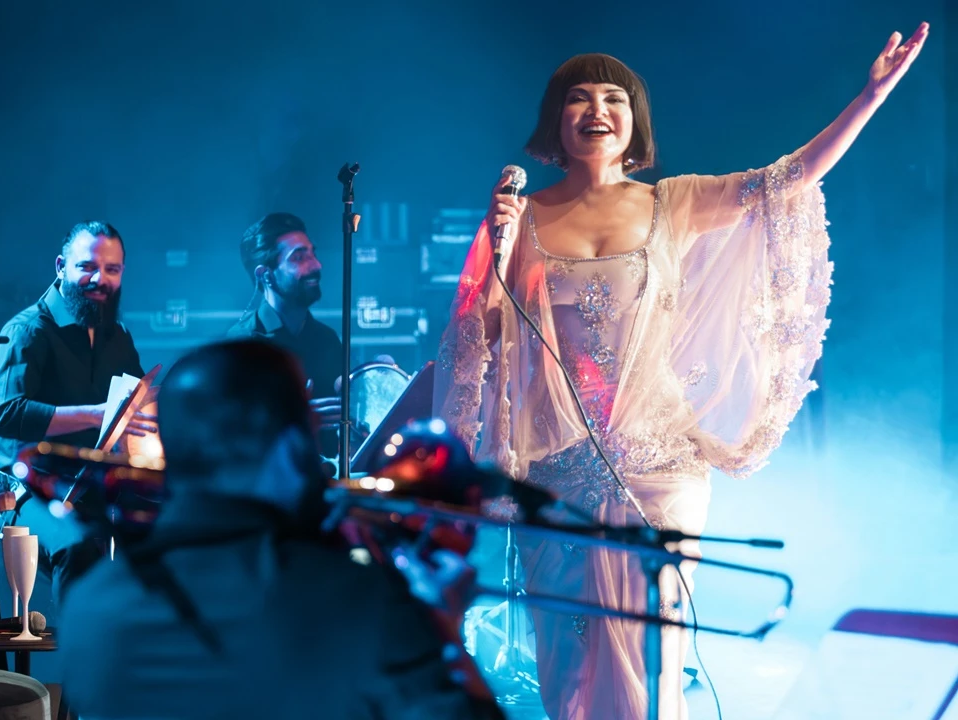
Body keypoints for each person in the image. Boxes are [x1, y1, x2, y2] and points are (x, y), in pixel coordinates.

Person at [434, 25, 928, 720]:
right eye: (579, 98)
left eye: (613, 98)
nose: (597, 110)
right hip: (557, 469)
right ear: (555, 119)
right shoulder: (520, 220)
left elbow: (788, 179)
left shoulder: (674, 202)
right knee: (566, 663)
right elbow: (476, 336)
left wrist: (870, 96)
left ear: (634, 120)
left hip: (658, 467)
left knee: (652, 648)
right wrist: (498, 242)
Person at [60, 339, 501, 719]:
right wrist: (440, 625)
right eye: (310, 435)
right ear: (291, 448)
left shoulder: (89, 608)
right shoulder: (355, 598)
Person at [0, 220, 155, 611]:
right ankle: (78, 650)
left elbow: (135, 403)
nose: (100, 279)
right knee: (78, 546)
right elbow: (4, 413)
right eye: (87, 267)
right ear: (61, 266)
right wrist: (97, 415)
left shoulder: (117, 334)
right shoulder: (27, 330)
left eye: (112, 269)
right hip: (25, 492)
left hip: (91, 484)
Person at [228, 212, 395, 460]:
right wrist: (294, 421)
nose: (316, 265)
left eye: (312, 254)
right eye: (299, 257)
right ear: (265, 275)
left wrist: (373, 385)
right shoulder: (242, 345)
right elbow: (230, 436)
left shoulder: (326, 339)